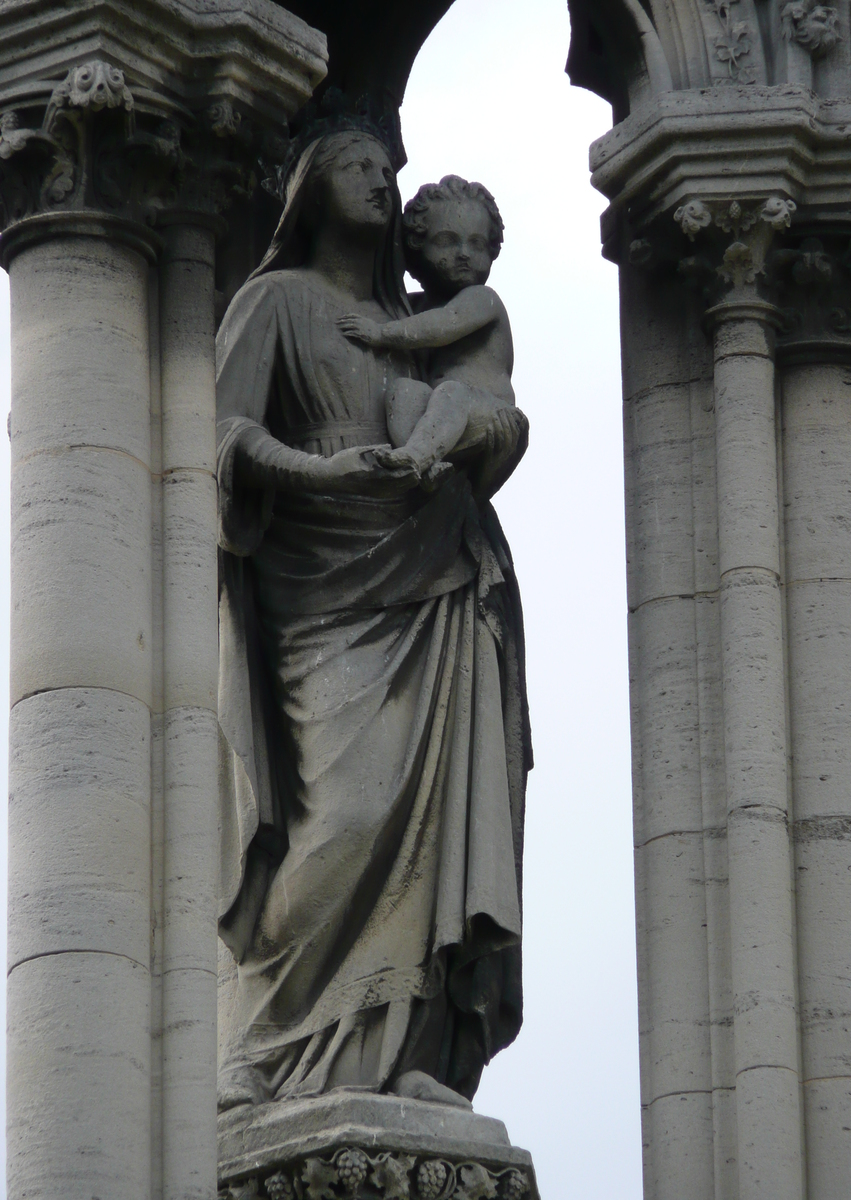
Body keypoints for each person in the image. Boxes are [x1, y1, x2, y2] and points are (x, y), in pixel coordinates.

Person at [215, 125, 532, 1113]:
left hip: (435, 569)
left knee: (429, 819)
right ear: (312, 188)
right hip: (322, 577)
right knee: (341, 816)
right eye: (361, 168)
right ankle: (267, 1044)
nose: (384, 184)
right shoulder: (277, 302)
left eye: (391, 172)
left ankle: (404, 1051)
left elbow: (487, 412)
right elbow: (223, 432)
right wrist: (319, 470)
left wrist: (473, 434)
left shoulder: (425, 317)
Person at [337, 175, 515, 490]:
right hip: (443, 419)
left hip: (489, 412)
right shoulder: (411, 307)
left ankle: (416, 457)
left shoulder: (482, 299)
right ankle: (424, 467)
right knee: (403, 391)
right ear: (417, 247)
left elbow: (442, 326)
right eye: (448, 240)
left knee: (451, 392)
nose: (463, 253)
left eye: (476, 244)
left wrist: (381, 334)